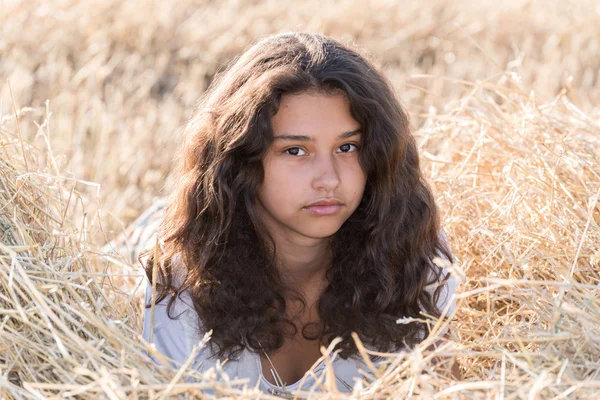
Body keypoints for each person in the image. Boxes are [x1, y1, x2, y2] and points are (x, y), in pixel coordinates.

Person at [139, 32, 460, 396]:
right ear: (240, 160)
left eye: (347, 147)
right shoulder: (176, 289)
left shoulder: (412, 259)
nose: (329, 179)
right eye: (295, 151)